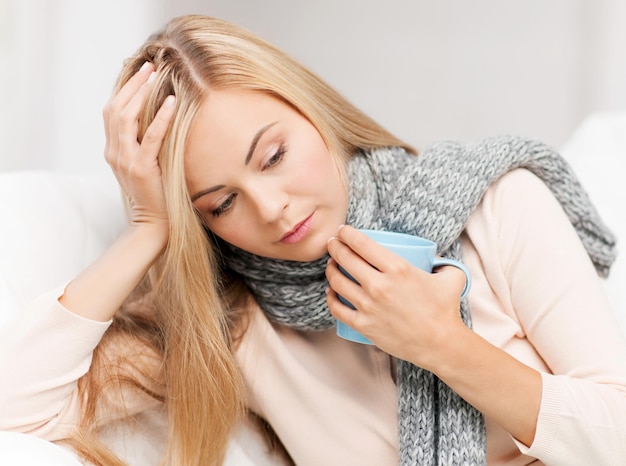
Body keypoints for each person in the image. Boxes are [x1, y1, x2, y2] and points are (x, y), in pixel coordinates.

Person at [1, 13, 625, 466]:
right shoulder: (234, 326)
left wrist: (443, 345)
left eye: (273, 156)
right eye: (221, 203)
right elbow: (14, 410)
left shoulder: (496, 205)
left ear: (311, 110)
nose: (272, 209)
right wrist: (145, 231)